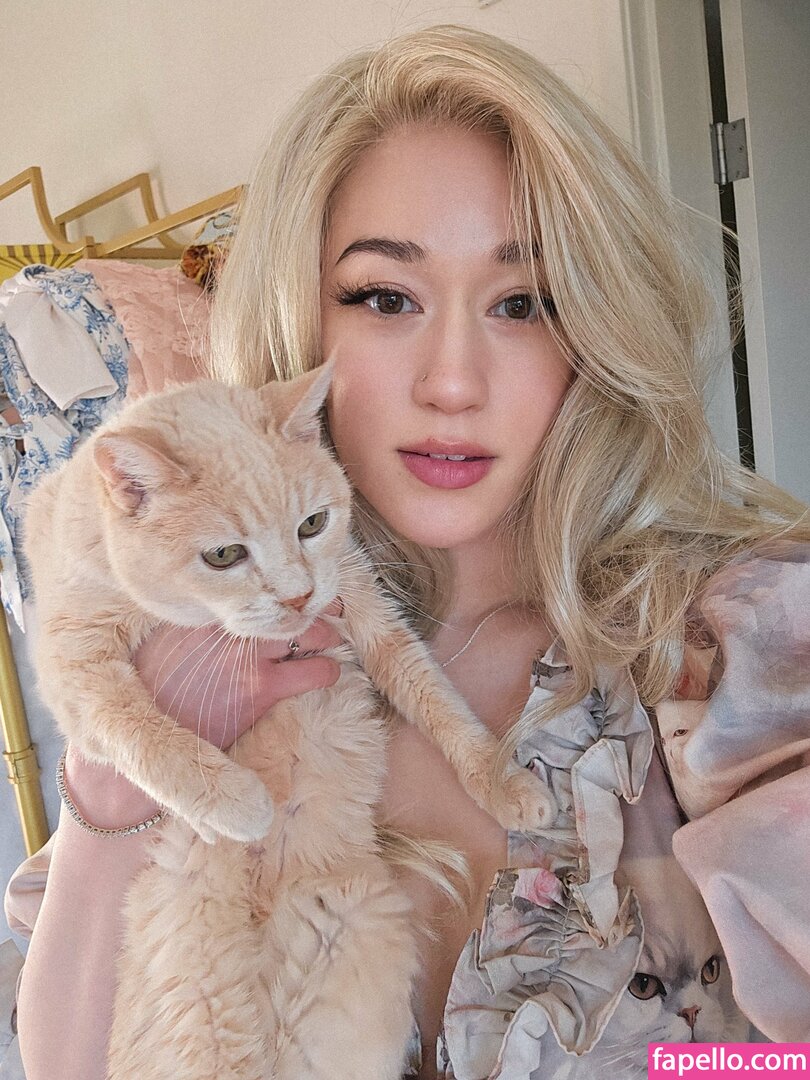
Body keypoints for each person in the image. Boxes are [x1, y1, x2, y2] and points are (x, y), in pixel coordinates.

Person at [7, 24, 810, 1080]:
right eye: (386, 299)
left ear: (594, 326)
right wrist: (116, 788)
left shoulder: (744, 641)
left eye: (522, 304)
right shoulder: (218, 645)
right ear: (301, 317)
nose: (453, 382)